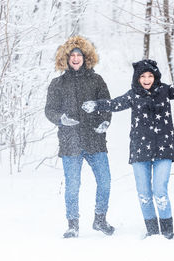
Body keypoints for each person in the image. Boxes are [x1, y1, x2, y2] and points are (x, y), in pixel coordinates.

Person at [82, 59, 174, 239]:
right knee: (144, 194)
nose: (146, 79)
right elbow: (114, 104)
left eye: (150, 75)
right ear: (137, 78)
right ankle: (152, 232)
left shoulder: (165, 91)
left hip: (163, 149)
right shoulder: (133, 95)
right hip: (140, 150)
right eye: (143, 76)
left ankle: (167, 232)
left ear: (155, 76)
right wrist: (96, 105)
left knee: (160, 192)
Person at [45, 36, 115, 238]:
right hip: (70, 143)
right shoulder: (57, 83)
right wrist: (61, 119)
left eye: (79, 55)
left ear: (86, 58)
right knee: (73, 186)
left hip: (95, 140)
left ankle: (100, 219)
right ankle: (73, 224)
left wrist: (104, 121)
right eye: (72, 55)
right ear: (66, 58)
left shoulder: (96, 80)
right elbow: (49, 110)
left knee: (105, 182)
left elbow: (106, 104)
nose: (76, 58)